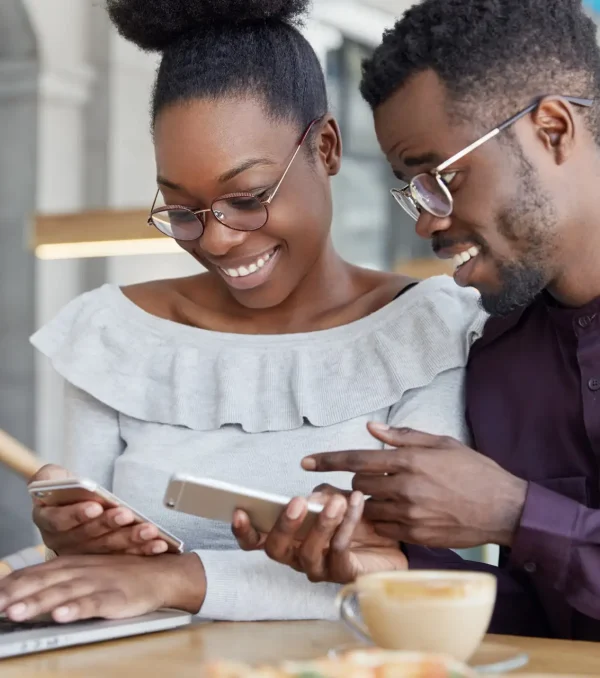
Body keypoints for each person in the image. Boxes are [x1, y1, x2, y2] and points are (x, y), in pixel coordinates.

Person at [0, 0, 486, 625]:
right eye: (181, 210)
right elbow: (97, 579)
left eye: (248, 197)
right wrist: (73, 542)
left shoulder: (428, 330)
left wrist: (176, 578)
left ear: (328, 149)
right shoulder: (115, 333)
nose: (218, 239)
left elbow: (408, 573)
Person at [235, 0, 600, 641]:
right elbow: (554, 619)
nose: (426, 220)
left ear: (552, 128)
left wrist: (515, 513)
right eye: (412, 187)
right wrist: (385, 568)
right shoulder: (499, 358)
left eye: (441, 176)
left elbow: (535, 532)